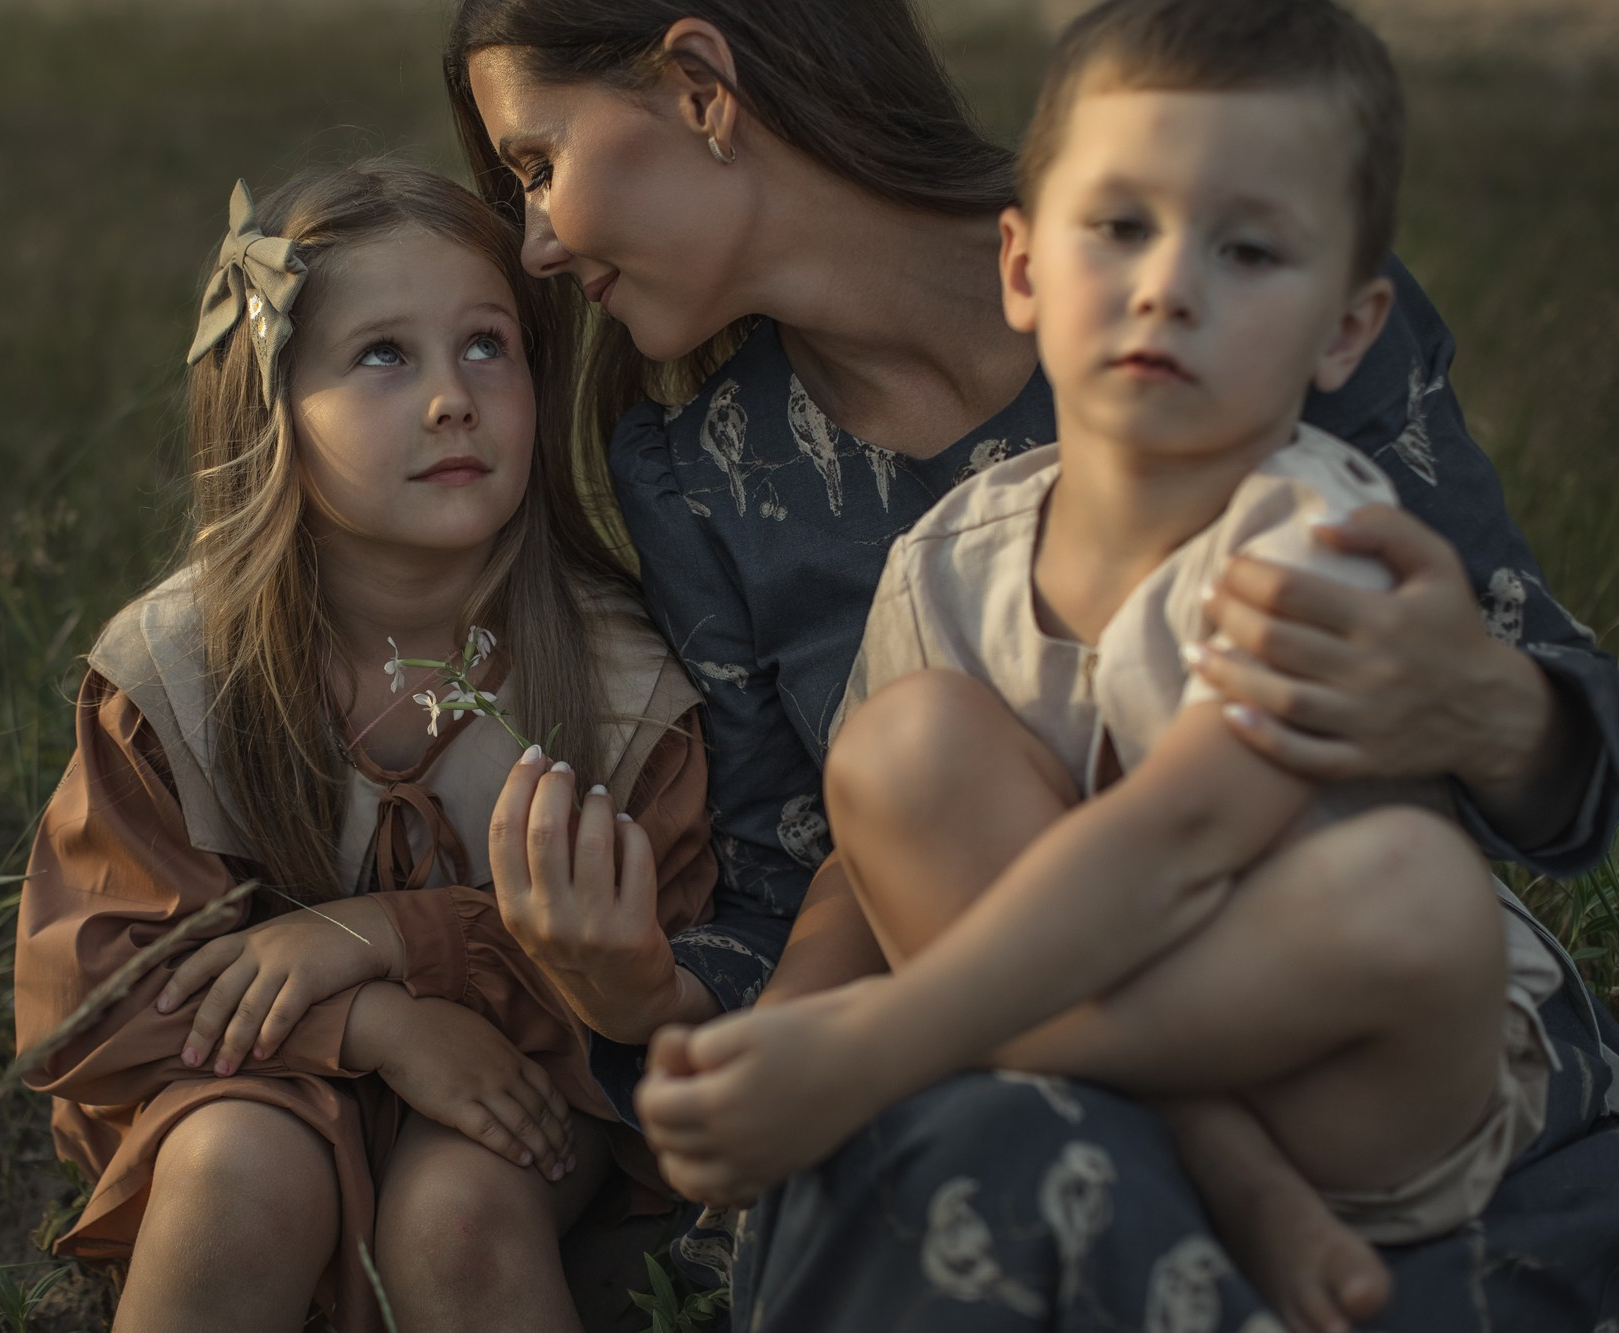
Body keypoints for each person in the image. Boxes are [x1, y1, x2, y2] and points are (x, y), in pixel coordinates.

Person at [447, 0, 1619, 1328]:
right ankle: (1195, 1158)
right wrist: (674, 1011)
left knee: (1400, 892)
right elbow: (819, 867)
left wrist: (1487, 700)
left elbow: (1526, 700)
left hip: (1334, 1031)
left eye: (541, 165)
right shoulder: (735, 485)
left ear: (703, 87)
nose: (535, 241)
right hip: (1026, 1032)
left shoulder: (1260, 284)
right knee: (905, 753)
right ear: (1026, 266)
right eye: (1117, 233)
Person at [12, 160, 718, 1333]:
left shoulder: (614, 685)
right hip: (250, 1085)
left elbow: (673, 963)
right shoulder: (180, 672)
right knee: (241, 1165)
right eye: (383, 355)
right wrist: (376, 1021)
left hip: (519, 1088)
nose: (452, 397)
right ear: (270, 405)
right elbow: (94, 986)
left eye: (486, 344)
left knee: (460, 1217)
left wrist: (394, 934)